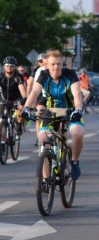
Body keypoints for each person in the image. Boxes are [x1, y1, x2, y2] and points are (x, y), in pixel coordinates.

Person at [23, 50, 85, 180]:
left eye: (58, 64)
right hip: (51, 112)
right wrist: (26, 109)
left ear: (62, 64)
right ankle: (46, 179)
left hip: (71, 111)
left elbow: (77, 94)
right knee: (43, 140)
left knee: (77, 132)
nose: (56, 67)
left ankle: (74, 161)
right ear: (47, 65)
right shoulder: (44, 76)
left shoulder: (70, 75)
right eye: (53, 64)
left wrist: (78, 110)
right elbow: (35, 92)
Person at [0, 56, 27, 133]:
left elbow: (21, 88)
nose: (9, 67)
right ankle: (2, 142)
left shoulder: (18, 76)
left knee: (20, 110)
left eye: (11, 66)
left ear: (15, 67)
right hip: (4, 100)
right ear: (4, 66)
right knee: (1, 122)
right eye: (7, 65)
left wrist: (24, 98)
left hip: (16, 99)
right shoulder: (0, 76)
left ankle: (19, 124)